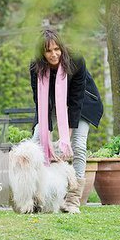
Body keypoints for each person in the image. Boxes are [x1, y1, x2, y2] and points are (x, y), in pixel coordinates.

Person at [30, 29, 103, 214]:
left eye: (57, 49)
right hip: (52, 103)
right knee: (37, 140)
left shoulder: (76, 60)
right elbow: (40, 101)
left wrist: (65, 137)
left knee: (77, 146)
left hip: (82, 103)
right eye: (48, 51)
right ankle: (36, 196)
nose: (54, 54)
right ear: (41, 53)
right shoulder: (36, 66)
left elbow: (76, 101)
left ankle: (72, 200)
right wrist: (47, 138)